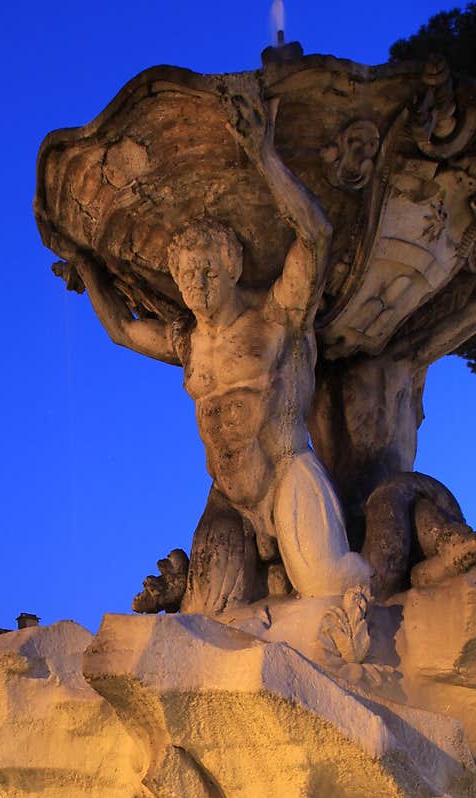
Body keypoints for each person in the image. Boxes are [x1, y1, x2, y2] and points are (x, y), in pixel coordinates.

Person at [58, 84, 370, 611]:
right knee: (209, 616)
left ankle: (373, 575)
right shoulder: (189, 341)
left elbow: (316, 236)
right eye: (186, 275)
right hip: (227, 496)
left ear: (233, 269)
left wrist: (265, 157)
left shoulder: (276, 316)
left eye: (207, 271)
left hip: (287, 475)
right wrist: (87, 268)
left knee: (329, 588)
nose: (196, 285)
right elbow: (124, 331)